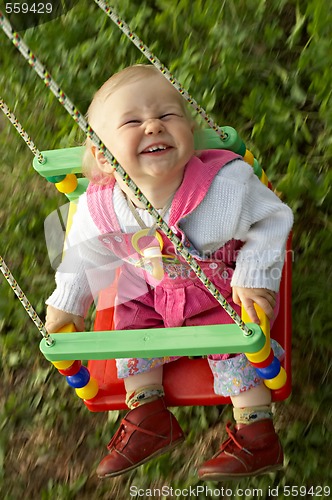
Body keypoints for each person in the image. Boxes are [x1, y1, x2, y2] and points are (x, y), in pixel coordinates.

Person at [45, 64, 293, 480]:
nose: (153, 126)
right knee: (127, 326)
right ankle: (148, 415)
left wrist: (253, 274)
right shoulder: (100, 206)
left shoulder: (223, 187)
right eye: (132, 121)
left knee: (237, 334)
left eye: (168, 115)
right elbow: (81, 256)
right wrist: (68, 303)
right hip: (147, 285)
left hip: (217, 283)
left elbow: (272, 218)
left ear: (190, 135)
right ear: (103, 156)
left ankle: (256, 431)